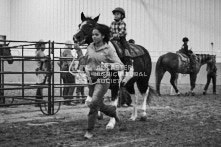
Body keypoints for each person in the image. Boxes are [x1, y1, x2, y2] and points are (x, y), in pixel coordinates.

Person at [74, 24, 124, 139]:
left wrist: (108, 65)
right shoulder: (90, 47)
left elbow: (121, 66)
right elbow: (84, 62)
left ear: (103, 36)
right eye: (93, 35)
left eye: (96, 35)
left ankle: (89, 131)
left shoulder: (109, 50)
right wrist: (78, 51)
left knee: (93, 104)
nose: (94, 37)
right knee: (99, 105)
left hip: (103, 80)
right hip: (91, 80)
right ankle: (114, 113)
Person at [58, 40, 76, 106]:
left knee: (66, 85)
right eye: (71, 45)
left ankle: (65, 100)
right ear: (68, 45)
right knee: (72, 85)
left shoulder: (62, 51)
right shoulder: (68, 51)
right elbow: (69, 62)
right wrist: (72, 70)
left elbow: (58, 62)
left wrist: (63, 67)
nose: (72, 46)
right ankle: (69, 100)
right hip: (68, 71)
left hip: (63, 70)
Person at [35, 39, 48, 106]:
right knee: (40, 86)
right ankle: (38, 101)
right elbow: (43, 59)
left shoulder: (39, 52)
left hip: (40, 70)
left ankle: (38, 100)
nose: (44, 46)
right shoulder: (40, 52)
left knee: (40, 86)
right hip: (41, 70)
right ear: (40, 45)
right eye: (43, 45)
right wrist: (47, 57)